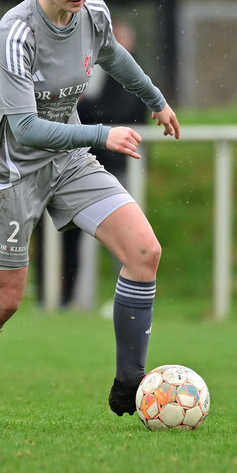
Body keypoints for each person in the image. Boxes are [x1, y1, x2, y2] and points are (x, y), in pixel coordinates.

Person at [0, 0, 180, 426]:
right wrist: (101, 134)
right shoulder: (15, 33)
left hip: (66, 163)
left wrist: (155, 100)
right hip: (11, 175)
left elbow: (112, 54)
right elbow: (24, 129)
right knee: (3, 303)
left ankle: (129, 383)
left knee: (144, 252)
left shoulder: (93, 13)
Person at [33, 20, 150, 308]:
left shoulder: (131, 75)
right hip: (71, 161)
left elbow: (125, 112)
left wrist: (86, 108)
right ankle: (54, 297)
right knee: (59, 232)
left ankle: (123, 298)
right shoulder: (73, 68)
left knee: (126, 236)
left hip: (118, 164)